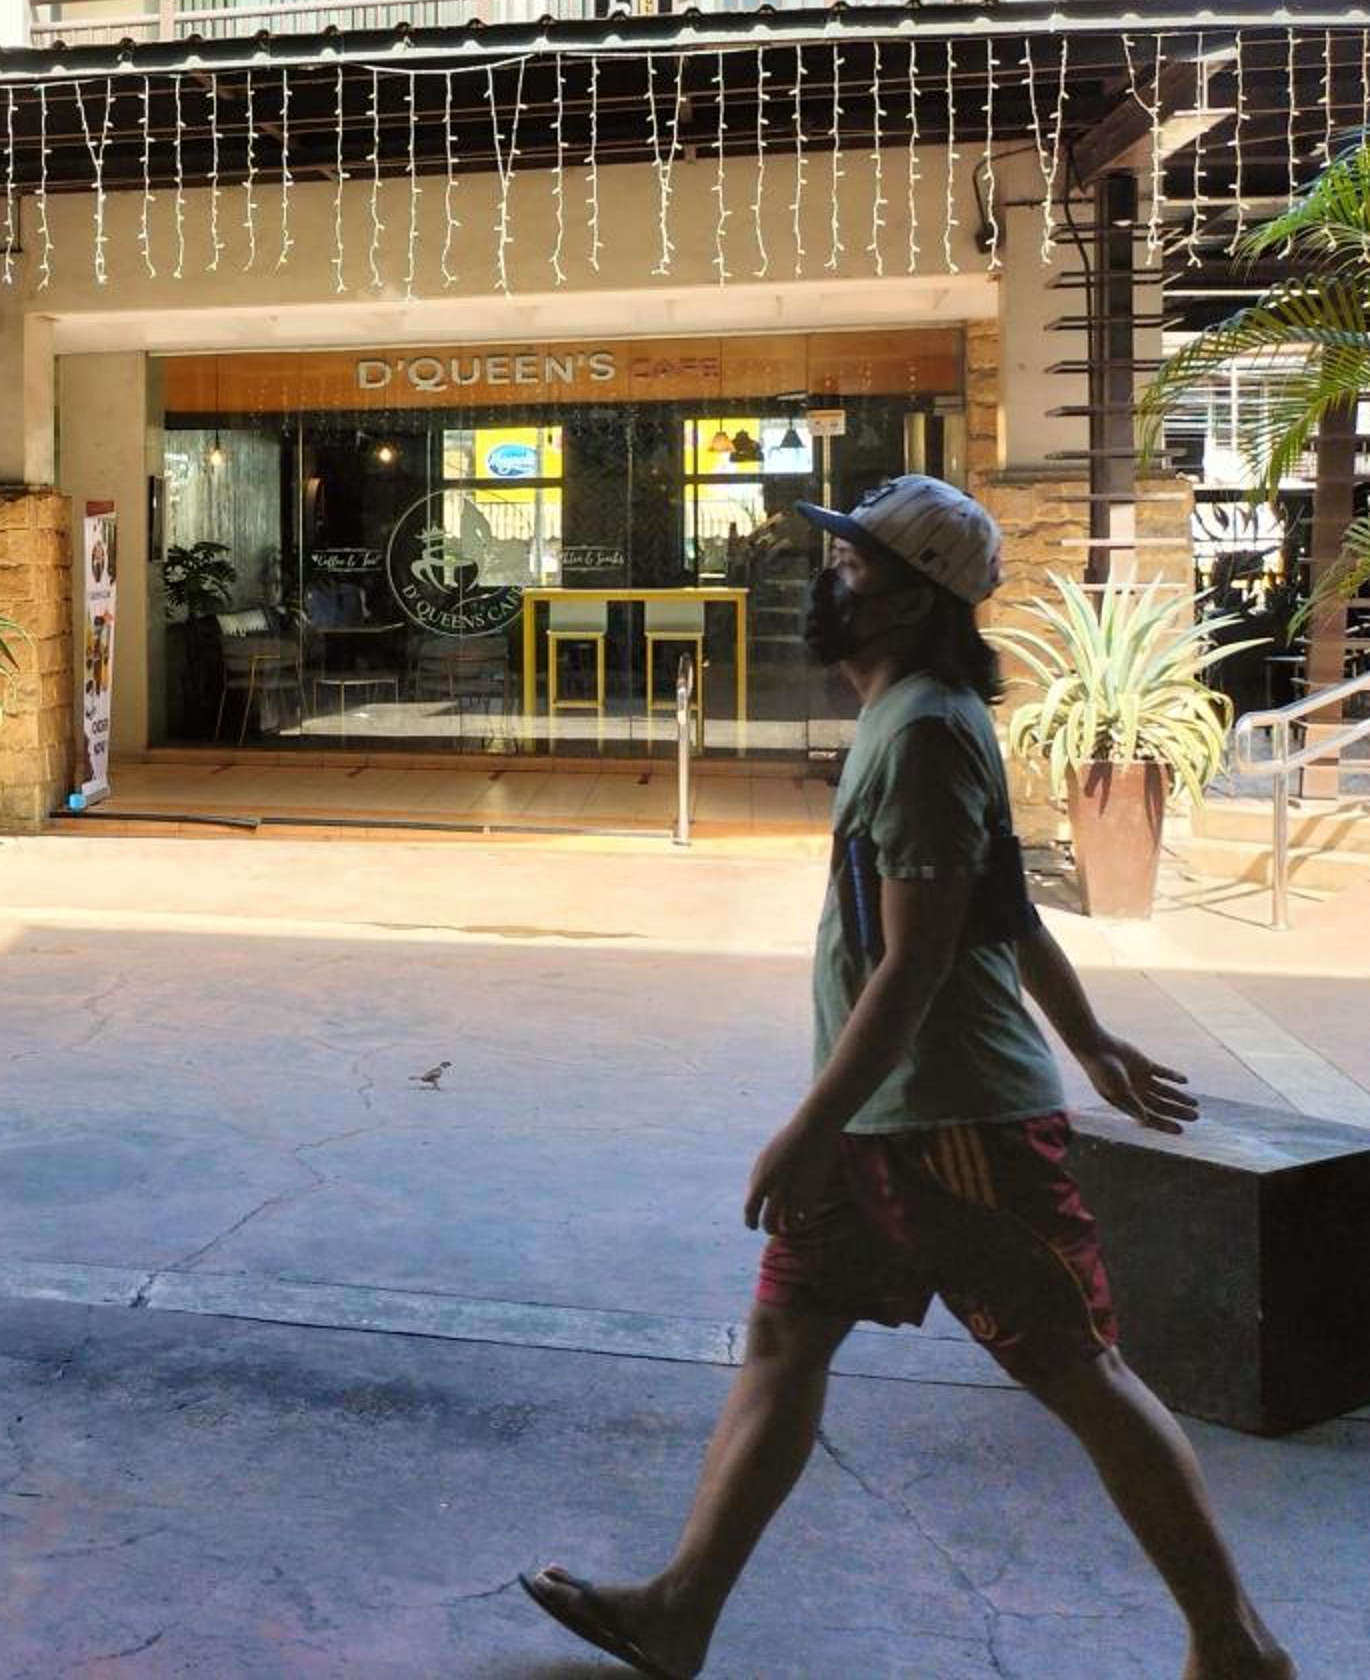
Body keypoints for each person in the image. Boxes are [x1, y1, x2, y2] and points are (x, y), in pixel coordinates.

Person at [519, 475, 1294, 1680]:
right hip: (885, 1118)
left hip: (951, 1124)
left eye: (855, 565)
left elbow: (921, 962)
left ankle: (1234, 1644)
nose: (829, 579)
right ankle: (679, 1612)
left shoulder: (928, 732)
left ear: (913, 600)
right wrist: (1091, 1041)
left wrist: (808, 1126)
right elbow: (1008, 911)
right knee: (784, 1341)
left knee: (1079, 1373)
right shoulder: (911, 718)